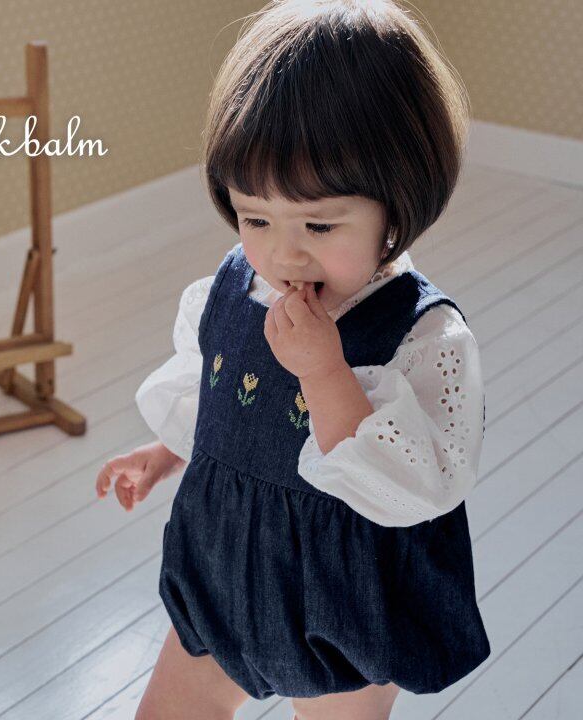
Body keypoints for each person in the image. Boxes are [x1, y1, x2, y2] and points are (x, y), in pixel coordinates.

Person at [96, 1, 491, 718]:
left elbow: (412, 486)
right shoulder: (231, 290)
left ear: (396, 210)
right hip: (219, 580)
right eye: (256, 218)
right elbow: (221, 396)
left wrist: (324, 372)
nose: (284, 254)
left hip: (345, 609)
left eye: (319, 224)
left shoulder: (422, 336)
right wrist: (166, 451)